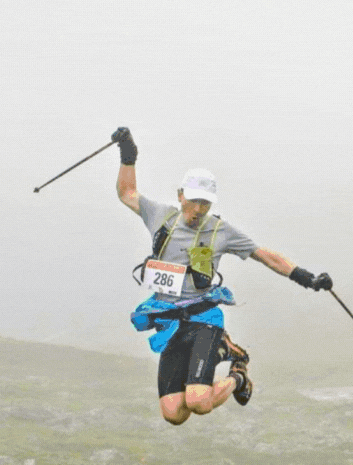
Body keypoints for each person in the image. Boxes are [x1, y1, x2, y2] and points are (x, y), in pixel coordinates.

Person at [111, 127, 333, 426]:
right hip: (169, 320)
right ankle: (227, 351)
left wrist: (307, 278)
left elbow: (265, 255)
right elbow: (127, 193)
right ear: (181, 196)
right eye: (194, 201)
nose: (199, 209)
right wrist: (128, 155)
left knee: (199, 402)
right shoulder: (160, 216)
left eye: (206, 202)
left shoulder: (220, 231)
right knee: (174, 413)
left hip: (204, 319)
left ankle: (238, 375)